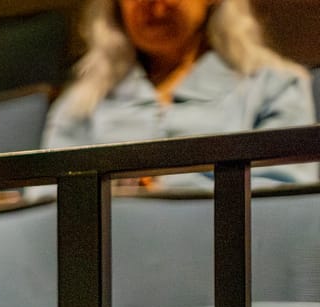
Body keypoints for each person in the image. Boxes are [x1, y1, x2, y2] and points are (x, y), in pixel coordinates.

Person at [43, 0, 315, 183]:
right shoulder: (80, 104)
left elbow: (285, 195)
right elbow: (48, 199)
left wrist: (162, 194)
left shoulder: (275, 85)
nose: (152, 4)